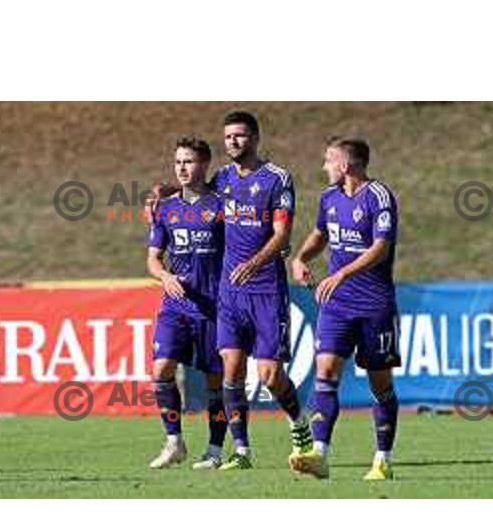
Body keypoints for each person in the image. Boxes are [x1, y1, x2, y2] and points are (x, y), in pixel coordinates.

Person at [289, 136, 401, 480]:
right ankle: (319, 455)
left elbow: (380, 247)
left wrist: (341, 273)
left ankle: (383, 459)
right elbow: (321, 232)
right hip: (337, 305)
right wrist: (301, 257)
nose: (324, 167)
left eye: (328, 161)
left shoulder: (379, 197)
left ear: (345, 165)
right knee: (325, 375)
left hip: (374, 305)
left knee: (380, 386)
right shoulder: (329, 198)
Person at [210, 110, 312, 470]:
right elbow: (197, 203)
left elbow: (282, 234)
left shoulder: (277, 178)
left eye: (239, 136)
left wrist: (254, 263)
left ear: (254, 138)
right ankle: (241, 450)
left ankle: (299, 424)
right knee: (232, 370)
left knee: (270, 376)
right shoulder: (220, 178)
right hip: (229, 292)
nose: (232, 142)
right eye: (227, 137)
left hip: (266, 290)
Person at [147, 137, 227, 470]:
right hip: (176, 305)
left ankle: (215, 448)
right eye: (178, 161)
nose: (182, 167)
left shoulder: (223, 206)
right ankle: (174, 441)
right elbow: (153, 259)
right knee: (161, 369)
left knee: (215, 383)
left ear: (205, 164)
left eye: (189, 161)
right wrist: (164, 277)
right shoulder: (164, 208)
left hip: (214, 306)